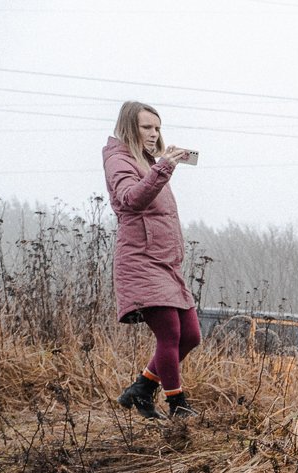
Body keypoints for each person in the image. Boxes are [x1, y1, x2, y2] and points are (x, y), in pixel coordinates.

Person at [103, 100, 198, 419]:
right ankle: (177, 405)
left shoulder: (147, 160)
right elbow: (130, 199)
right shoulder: (119, 160)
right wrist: (163, 167)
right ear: (130, 127)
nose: (153, 133)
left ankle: (142, 389)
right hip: (140, 261)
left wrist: (159, 164)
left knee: (192, 335)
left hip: (166, 264)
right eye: (147, 127)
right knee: (170, 334)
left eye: (157, 128)